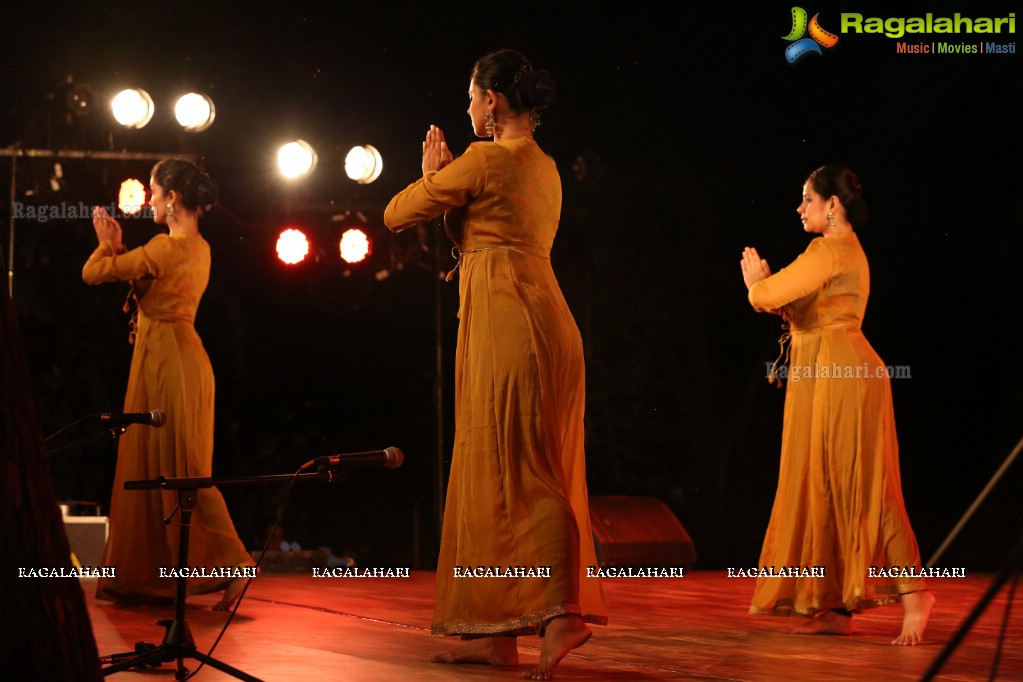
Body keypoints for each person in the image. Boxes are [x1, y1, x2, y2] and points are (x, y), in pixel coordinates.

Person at [384, 49, 607, 679]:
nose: (467, 107)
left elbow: (396, 214)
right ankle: (498, 632)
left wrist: (432, 173)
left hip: (510, 321)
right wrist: (450, 185)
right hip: (539, 317)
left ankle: (561, 614)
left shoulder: (484, 159)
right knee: (496, 467)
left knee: (522, 467)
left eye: (472, 96)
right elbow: (481, 223)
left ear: (493, 102)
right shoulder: (546, 167)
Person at [739, 165, 935, 645]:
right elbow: (805, 312)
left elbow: (773, 293)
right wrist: (772, 296)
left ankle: (914, 593)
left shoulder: (828, 248)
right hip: (827, 373)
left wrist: (756, 285)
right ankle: (834, 605)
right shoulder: (843, 253)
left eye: (807, 199)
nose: (799, 207)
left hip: (842, 375)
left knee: (862, 483)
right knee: (823, 483)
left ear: (832, 205)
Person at [84, 159, 254, 610]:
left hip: (170, 364)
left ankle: (239, 565)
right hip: (172, 358)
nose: (152, 201)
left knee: (184, 471)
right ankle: (153, 576)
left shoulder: (165, 247)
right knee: (165, 470)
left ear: (173, 198)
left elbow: (93, 274)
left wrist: (107, 246)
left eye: (156, 192)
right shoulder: (200, 248)